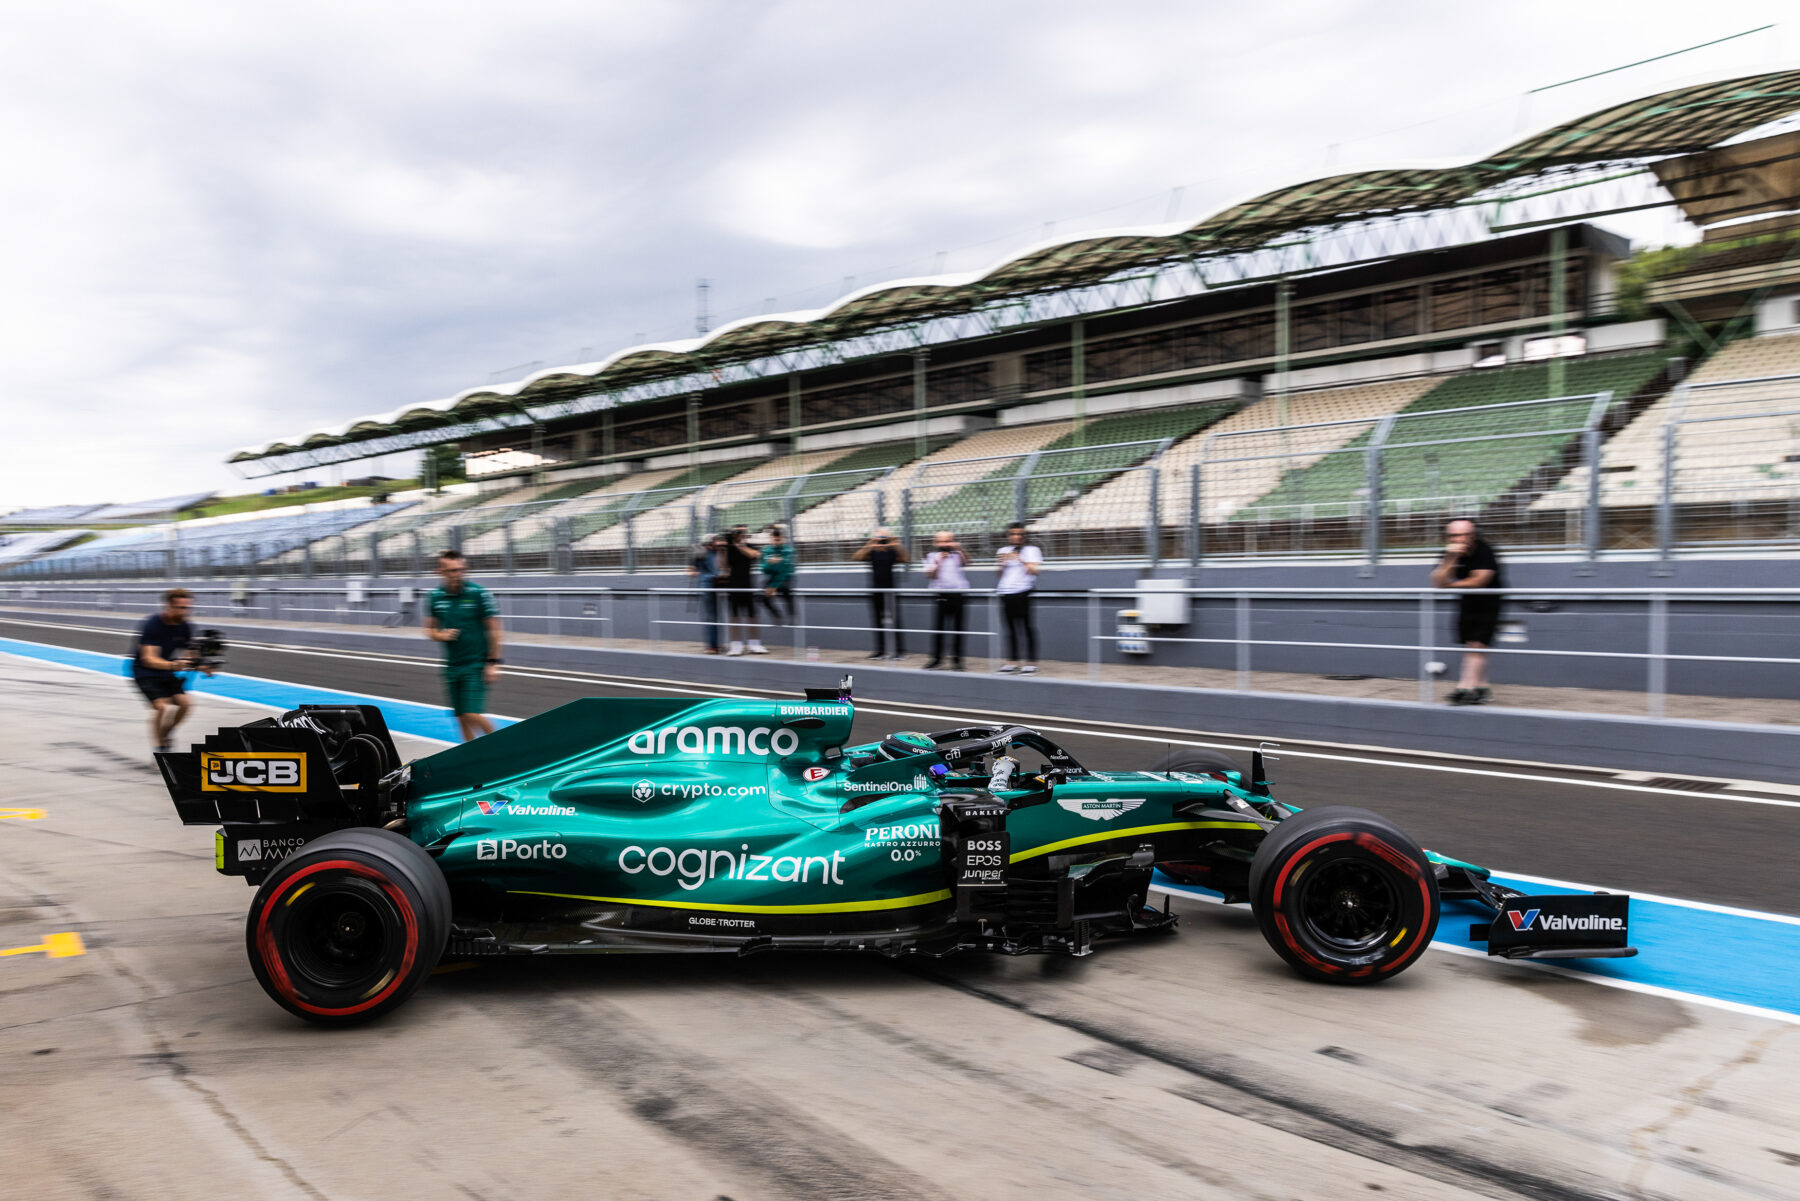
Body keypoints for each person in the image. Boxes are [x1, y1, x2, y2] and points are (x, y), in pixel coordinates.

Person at [424, 550, 503, 741]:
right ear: (440, 571)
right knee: (460, 718)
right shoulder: (435, 596)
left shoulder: (478, 594)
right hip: (452, 666)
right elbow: (429, 630)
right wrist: (441, 635)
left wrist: (493, 662)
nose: (457, 574)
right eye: (451, 571)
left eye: (460, 570)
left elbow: (494, 629)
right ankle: (470, 756)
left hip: (475, 664)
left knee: (471, 714)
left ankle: (503, 746)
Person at [1430, 518, 1505, 705]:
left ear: (1473, 535)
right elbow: (1437, 580)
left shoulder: (1484, 550)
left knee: (1478, 645)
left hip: (1489, 602)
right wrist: (1450, 558)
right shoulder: (1449, 552)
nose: (1460, 539)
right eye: (1455, 536)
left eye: (1465, 535)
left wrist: (1448, 586)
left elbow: (1480, 581)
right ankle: (1480, 687)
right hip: (1466, 601)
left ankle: (1466, 688)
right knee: (1471, 646)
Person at [133, 587, 213, 752]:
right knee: (162, 707)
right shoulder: (152, 624)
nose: (185, 611)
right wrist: (173, 665)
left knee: (185, 704)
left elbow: (192, 656)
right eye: (181, 608)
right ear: (168, 606)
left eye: (188, 607)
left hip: (166, 670)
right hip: (144, 671)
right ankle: (160, 747)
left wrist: (203, 666)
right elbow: (148, 658)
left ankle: (166, 733)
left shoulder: (186, 627)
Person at [853, 527, 910, 659]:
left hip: (890, 590)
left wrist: (897, 544)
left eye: (884, 538)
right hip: (876, 590)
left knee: (895, 621)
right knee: (877, 621)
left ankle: (899, 651)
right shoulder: (872, 551)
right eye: (880, 537)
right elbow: (857, 557)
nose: (882, 540)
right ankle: (880, 650)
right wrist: (870, 544)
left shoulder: (892, 551)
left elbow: (906, 559)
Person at [995, 523, 1042, 675]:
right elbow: (999, 574)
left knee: (1027, 627)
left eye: (1019, 534)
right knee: (1009, 629)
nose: (1016, 537)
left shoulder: (1032, 550)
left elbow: (1035, 571)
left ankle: (1030, 663)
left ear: (1024, 536)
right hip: (1005, 593)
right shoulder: (1002, 550)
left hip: (1023, 592)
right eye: (1013, 534)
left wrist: (1020, 559)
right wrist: (1002, 563)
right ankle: (1012, 662)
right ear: (1008, 536)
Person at [922, 531, 969, 671]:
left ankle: (957, 661)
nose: (944, 544)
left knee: (958, 629)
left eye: (947, 541)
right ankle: (936, 659)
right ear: (935, 543)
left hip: (958, 594)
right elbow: (930, 575)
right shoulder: (931, 556)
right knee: (938, 628)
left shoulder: (957, 554)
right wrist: (939, 561)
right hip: (941, 594)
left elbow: (968, 562)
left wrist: (959, 549)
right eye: (941, 541)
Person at [719, 526, 767, 656]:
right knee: (734, 616)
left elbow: (755, 555)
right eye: (737, 532)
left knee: (752, 615)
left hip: (748, 585)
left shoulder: (749, 546)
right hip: (733, 585)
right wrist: (723, 550)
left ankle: (754, 644)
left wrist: (739, 545)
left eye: (742, 532)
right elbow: (722, 567)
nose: (740, 534)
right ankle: (736, 646)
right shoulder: (728, 548)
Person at [687, 535, 723, 653]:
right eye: (715, 541)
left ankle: (715, 645)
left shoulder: (717, 552)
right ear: (709, 543)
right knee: (711, 616)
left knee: (714, 616)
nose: (718, 543)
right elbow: (691, 571)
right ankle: (712, 646)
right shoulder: (702, 553)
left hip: (717, 584)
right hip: (707, 586)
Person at [760, 525, 796, 625]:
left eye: (778, 540)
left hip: (785, 577)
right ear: (771, 539)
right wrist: (770, 564)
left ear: (783, 539)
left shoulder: (788, 550)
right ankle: (776, 614)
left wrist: (774, 586)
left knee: (786, 591)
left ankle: (792, 615)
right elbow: (764, 569)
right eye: (774, 540)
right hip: (772, 577)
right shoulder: (767, 550)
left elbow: (784, 569)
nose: (776, 542)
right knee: (762, 597)